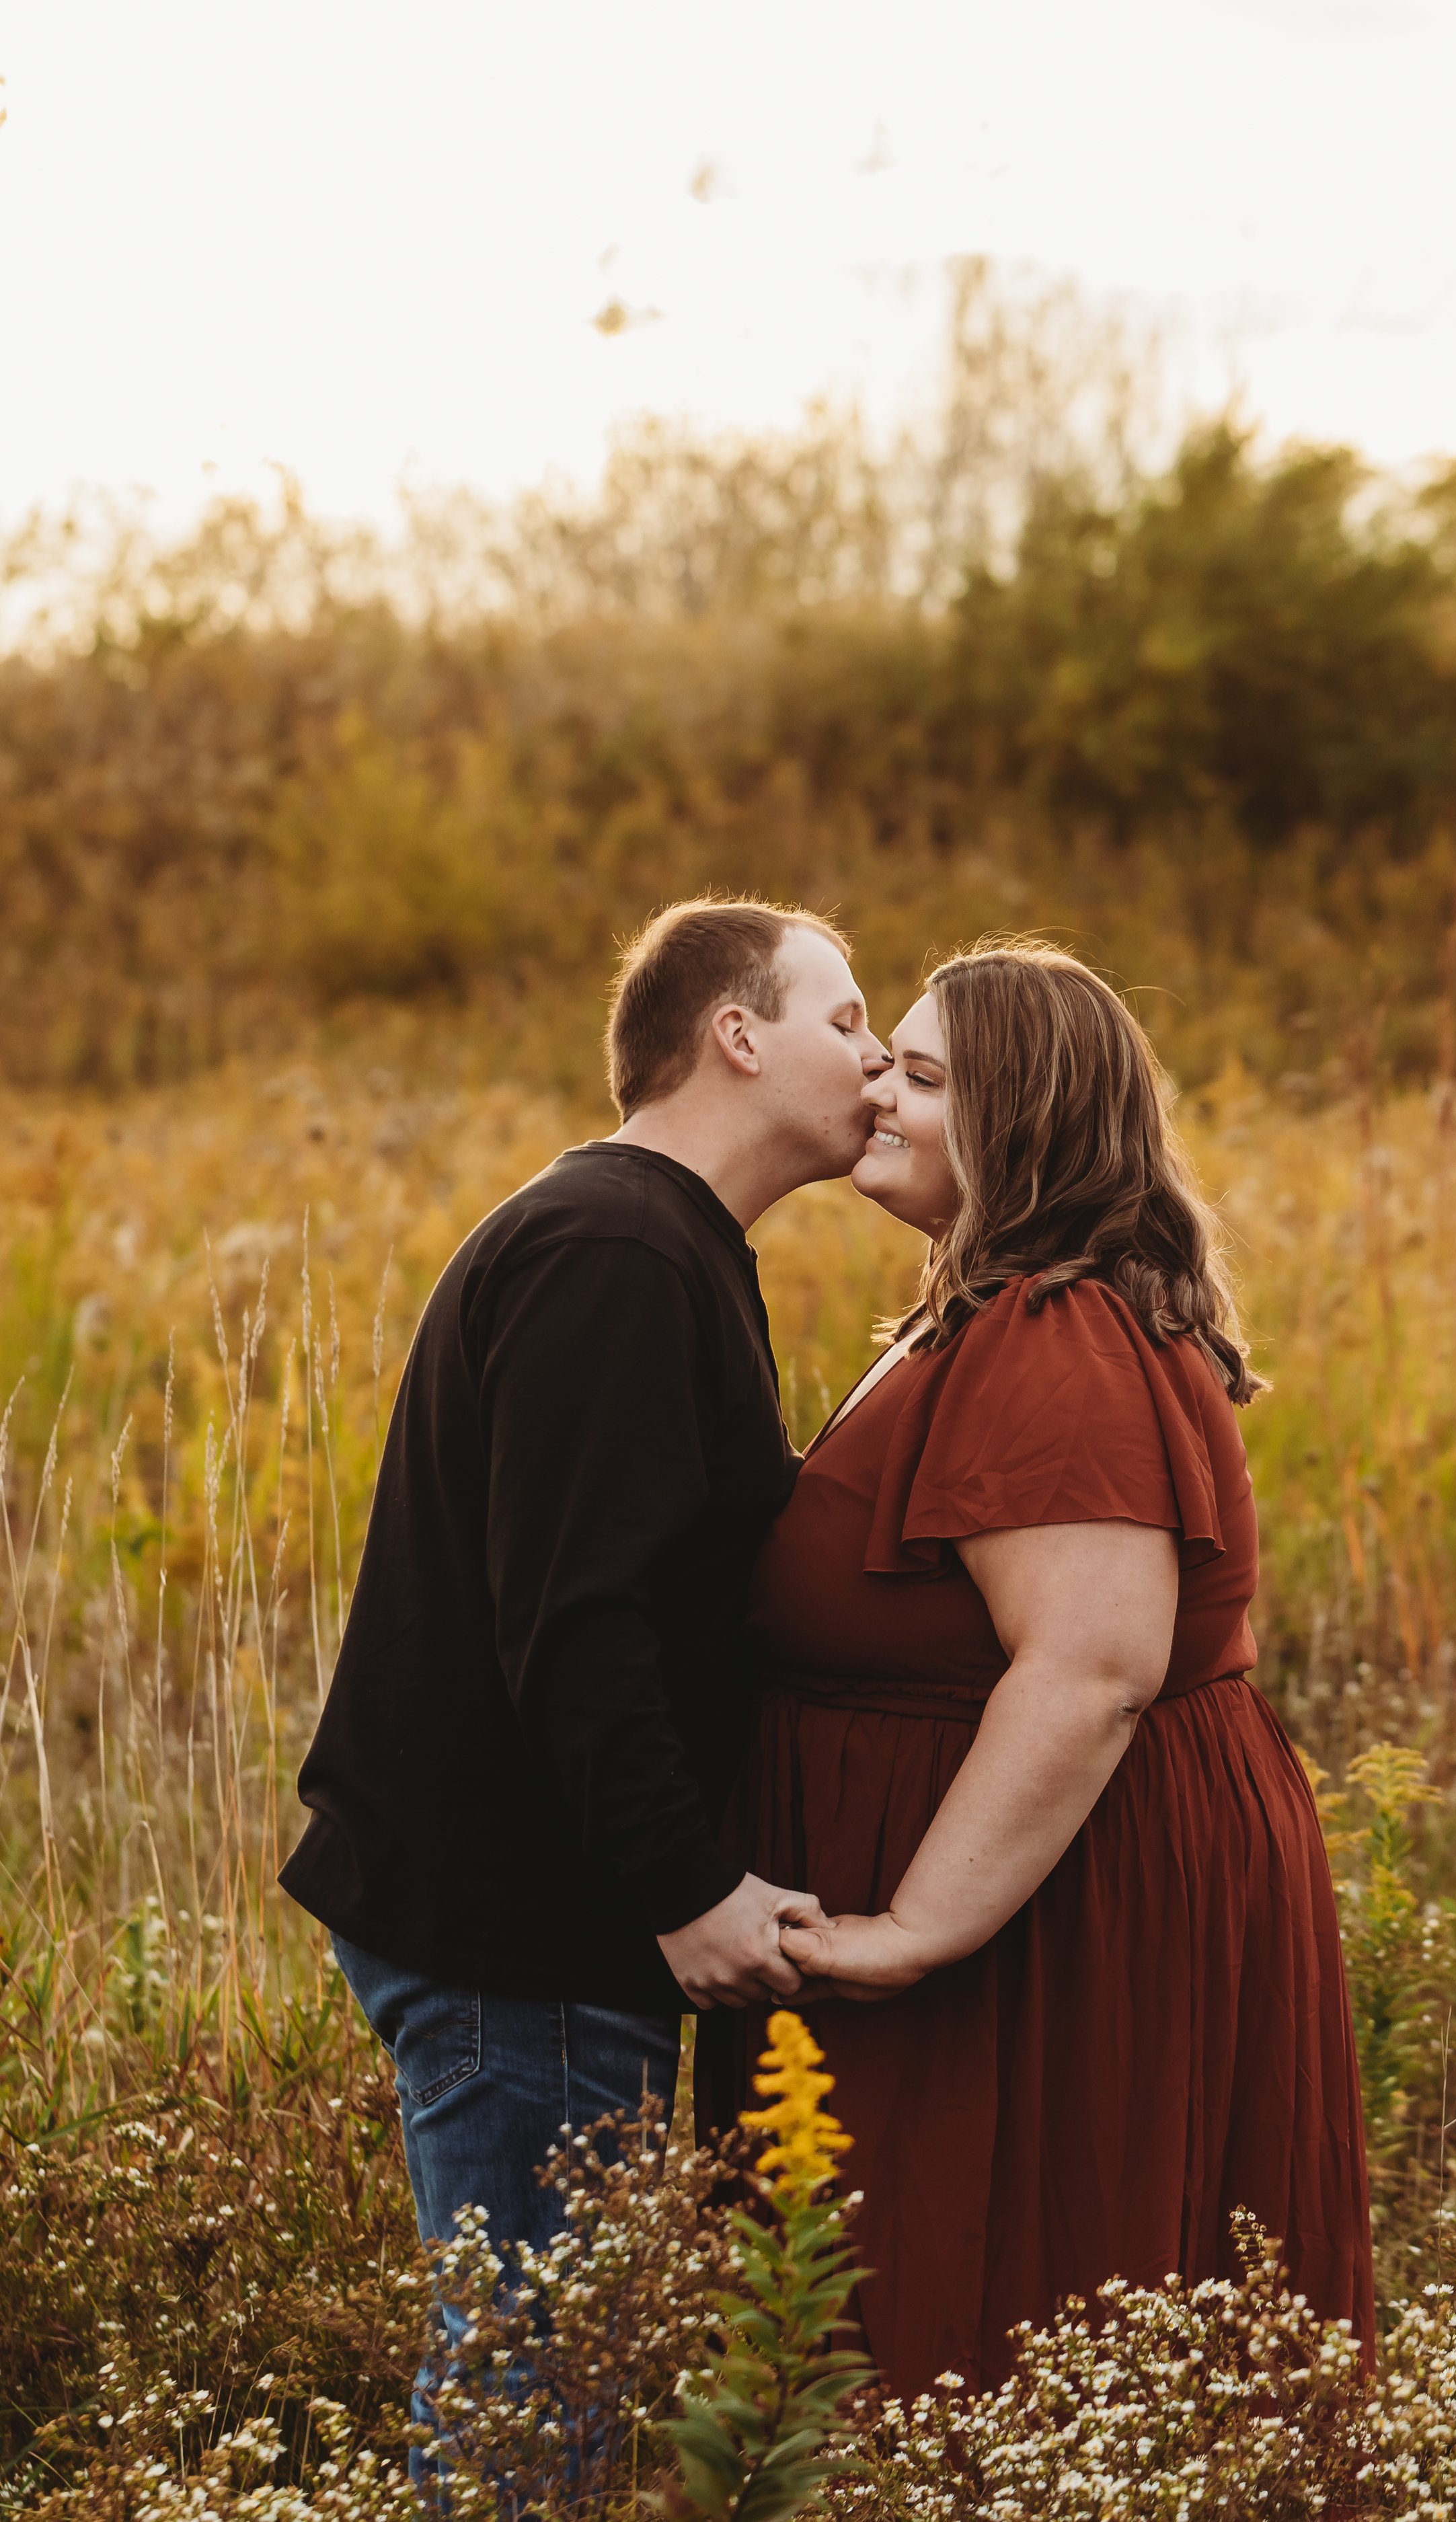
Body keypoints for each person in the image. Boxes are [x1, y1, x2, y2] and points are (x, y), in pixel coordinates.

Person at [720, 941, 1374, 2399]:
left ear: (1025, 1121)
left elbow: (1089, 1668)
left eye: (925, 1076)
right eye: (883, 1058)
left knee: (1012, 2303)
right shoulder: (995, 1308)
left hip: (1044, 1920)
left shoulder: (1051, 1333)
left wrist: (915, 1930)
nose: (878, 1094)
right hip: (1042, 1891)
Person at [279, 896, 882, 2455]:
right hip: (521, 1941)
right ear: (734, 1035)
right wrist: (685, 1886)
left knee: (556, 2405)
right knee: (527, 2426)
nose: (877, 1060)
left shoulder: (661, 1242)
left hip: (539, 1936)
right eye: (844, 1019)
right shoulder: (613, 1246)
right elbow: (575, 1621)